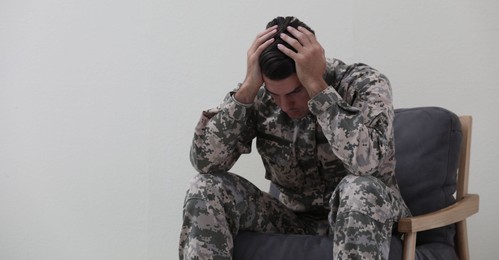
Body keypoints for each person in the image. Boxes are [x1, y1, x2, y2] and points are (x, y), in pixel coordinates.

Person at [179, 16, 411, 260]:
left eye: (296, 91)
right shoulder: (259, 96)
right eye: (274, 94)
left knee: (358, 189)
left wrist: (316, 88)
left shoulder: (364, 84)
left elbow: (366, 164)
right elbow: (206, 162)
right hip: (293, 220)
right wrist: (247, 88)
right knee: (205, 187)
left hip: (369, 212)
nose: (285, 104)